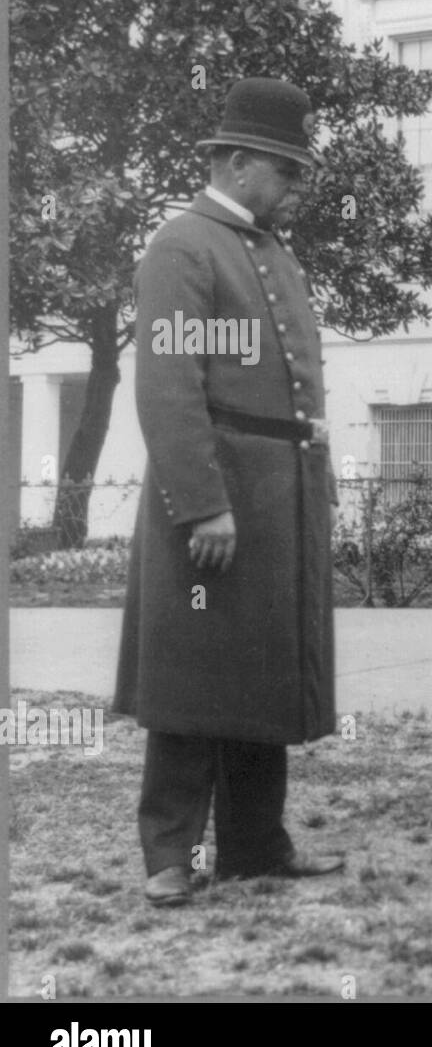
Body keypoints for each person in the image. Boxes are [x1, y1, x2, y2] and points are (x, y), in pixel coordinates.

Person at [114, 78, 342, 906]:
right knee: (190, 673)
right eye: (284, 170)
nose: (294, 187)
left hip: (279, 495)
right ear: (238, 162)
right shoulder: (183, 247)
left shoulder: (273, 252)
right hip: (214, 497)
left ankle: (255, 843)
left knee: (261, 673)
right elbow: (169, 388)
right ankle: (169, 853)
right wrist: (203, 500)